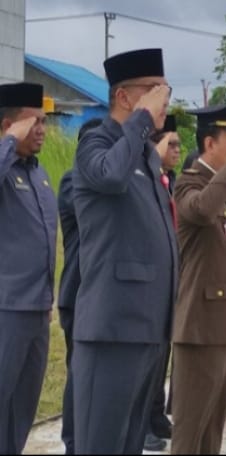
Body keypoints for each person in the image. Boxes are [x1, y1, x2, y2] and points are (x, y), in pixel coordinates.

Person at [71, 48, 178, 454]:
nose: (163, 100)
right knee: (101, 443)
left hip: (148, 327)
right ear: (125, 98)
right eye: (153, 90)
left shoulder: (143, 154)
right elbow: (110, 177)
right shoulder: (96, 141)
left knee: (130, 442)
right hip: (112, 327)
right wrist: (140, 123)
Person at [170, 100, 226, 454]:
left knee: (213, 432)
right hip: (200, 328)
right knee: (191, 432)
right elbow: (203, 210)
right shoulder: (188, 185)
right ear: (209, 144)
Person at [0, 82, 57, 455]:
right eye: (32, 121)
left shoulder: (37, 173)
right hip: (7, 310)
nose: (41, 129)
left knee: (22, 408)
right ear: (8, 125)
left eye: (44, 121)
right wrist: (6, 143)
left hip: (37, 309)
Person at [57, 118, 103, 455]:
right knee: (79, 373)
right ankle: (73, 442)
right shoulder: (73, 181)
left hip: (100, 293)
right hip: (78, 291)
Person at [143, 113, 180, 452]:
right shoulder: (146, 180)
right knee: (147, 365)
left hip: (167, 285)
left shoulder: (168, 180)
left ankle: (156, 415)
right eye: (171, 144)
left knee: (161, 357)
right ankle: (143, 425)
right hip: (146, 288)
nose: (176, 150)